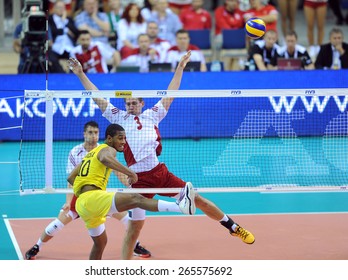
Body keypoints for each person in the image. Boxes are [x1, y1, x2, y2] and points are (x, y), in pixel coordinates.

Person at [68, 50, 255, 260]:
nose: (130, 106)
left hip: (159, 173)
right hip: (137, 180)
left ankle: (232, 226)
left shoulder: (153, 114)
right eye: (127, 103)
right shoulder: (118, 118)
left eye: (134, 103)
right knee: (134, 229)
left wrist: (180, 68)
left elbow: (171, 92)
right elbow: (96, 96)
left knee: (198, 199)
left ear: (142, 103)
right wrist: (80, 74)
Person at [24, 121, 153, 260]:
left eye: (96, 133)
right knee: (57, 224)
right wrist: (68, 201)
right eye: (90, 132)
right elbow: (71, 180)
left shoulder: (105, 149)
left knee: (126, 219)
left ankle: (135, 245)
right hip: (79, 197)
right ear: (84, 134)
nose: (93, 136)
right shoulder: (75, 152)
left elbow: (118, 172)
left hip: (98, 196)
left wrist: (131, 187)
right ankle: (37, 246)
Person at [69, 123, 195, 260]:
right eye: (120, 138)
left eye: (125, 138)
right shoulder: (107, 149)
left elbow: (70, 178)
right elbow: (106, 159)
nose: (124, 142)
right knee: (136, 199)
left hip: (82, 204)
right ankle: (180, 206)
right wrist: (131, 173)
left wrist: (85, 190)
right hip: (92, 198)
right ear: (110, 139)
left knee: (100, 244)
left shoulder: (89, 155)